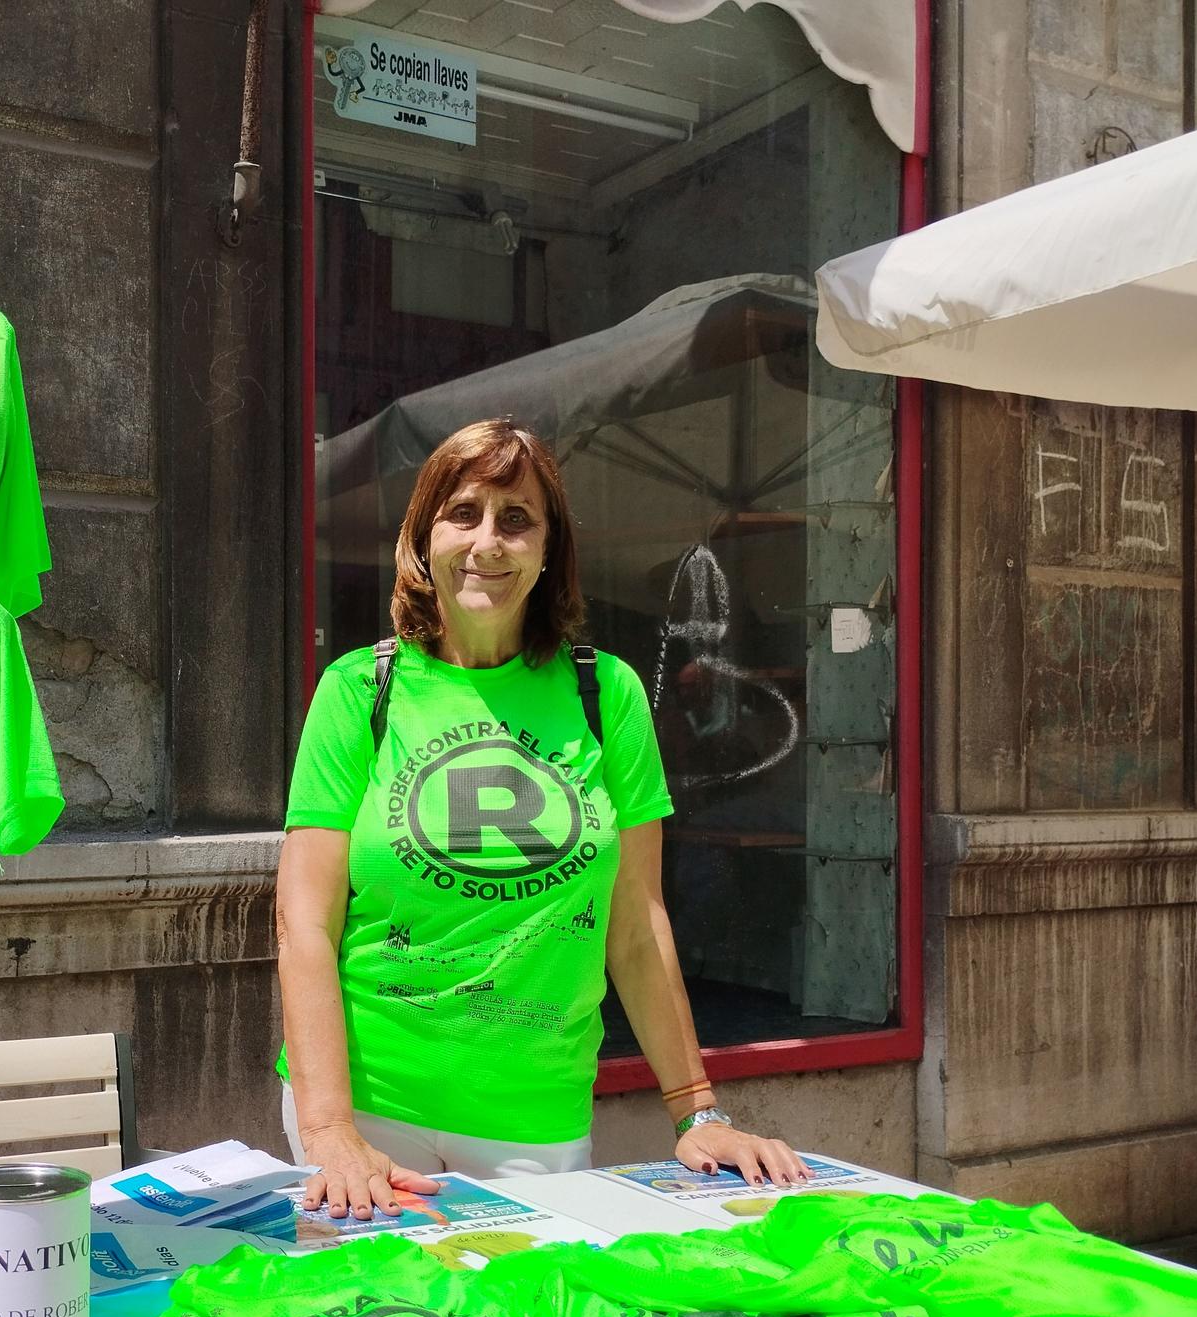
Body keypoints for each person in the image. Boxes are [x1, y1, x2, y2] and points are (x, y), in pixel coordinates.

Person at [277, 418, 808, 1219]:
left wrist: (697, 1110)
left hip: (536, 1122)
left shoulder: (607, 695)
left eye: (516, 519)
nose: (488, 542)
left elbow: (635, 922)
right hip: (369, 1110)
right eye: (464, 514)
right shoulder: (361, 691)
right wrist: (329, 1130)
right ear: (424, 538)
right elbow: (303, 922)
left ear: (550, 549)